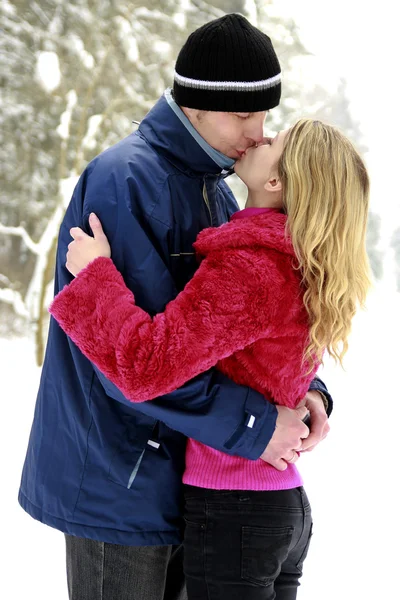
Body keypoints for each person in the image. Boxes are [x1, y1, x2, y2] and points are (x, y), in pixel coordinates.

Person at [18, 13, 332, 600]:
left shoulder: (212, 184)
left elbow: (235, 332)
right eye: (243, 113)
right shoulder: (124, 180)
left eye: (265, 113)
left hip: (192, 477)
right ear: (196, 103)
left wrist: (304, 390)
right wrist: (256, 425)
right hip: (123, 480)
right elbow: (128, 360)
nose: (259, 131)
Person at [49, 119, 370, 599]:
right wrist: (313, 391)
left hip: (237, 512)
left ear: (277, 182)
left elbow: (146, 365)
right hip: (274, 508)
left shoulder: (252, 268)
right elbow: (275, 358)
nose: (260, 135)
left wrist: (95, 277)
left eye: (273, 139)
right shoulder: (296, 259)